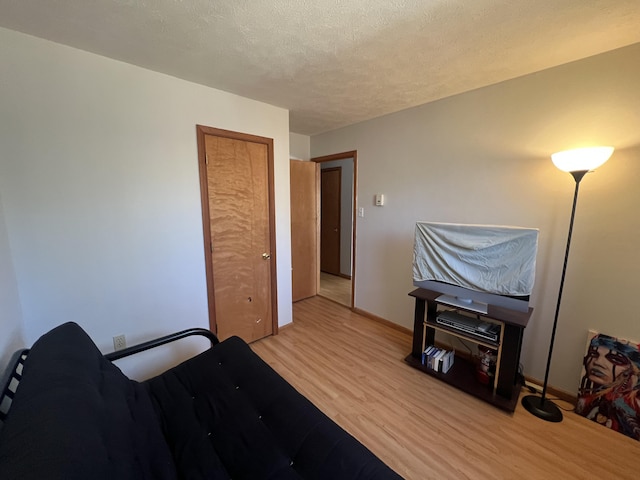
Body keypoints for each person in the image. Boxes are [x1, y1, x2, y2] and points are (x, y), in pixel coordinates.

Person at [576, 333, 640, 440]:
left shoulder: (632, 407)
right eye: (593, 354)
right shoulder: (588, 401)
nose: (597, 362)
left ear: (634, 371)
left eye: (615, 359)